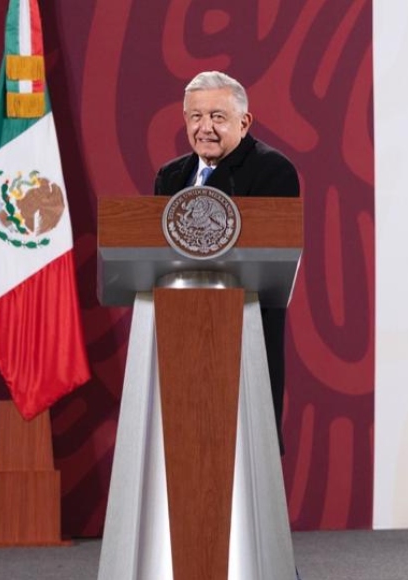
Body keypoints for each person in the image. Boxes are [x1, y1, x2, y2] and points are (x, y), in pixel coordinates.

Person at [154, 70, 301, 455]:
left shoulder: (272, 170)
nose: (205, 128)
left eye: (217, 117)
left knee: (243, 450)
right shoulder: (170, 176)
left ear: (244, 121)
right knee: (184, 449)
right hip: (179, 329)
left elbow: (269, 258)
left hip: (242, 328)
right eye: (195, 117)